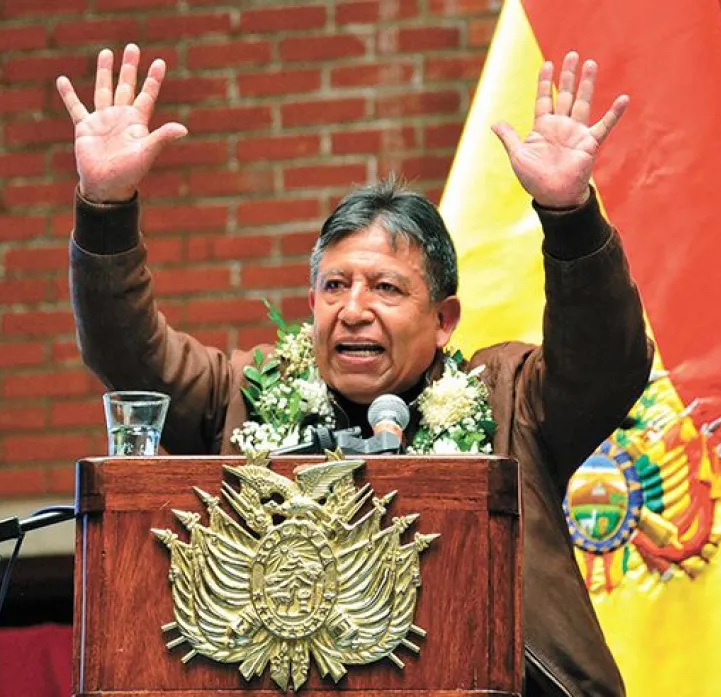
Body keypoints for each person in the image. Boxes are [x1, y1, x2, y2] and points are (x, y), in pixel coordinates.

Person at [59, 43, 652, 697]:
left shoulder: (511, 399)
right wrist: (105, 208)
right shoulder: (242, 396)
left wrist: (569, 219)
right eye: (335, 285)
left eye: (388, 289)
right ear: (310, 304)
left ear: (445, 319)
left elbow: (606, 359)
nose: (354, 309)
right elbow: (128, 352)